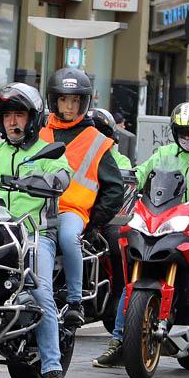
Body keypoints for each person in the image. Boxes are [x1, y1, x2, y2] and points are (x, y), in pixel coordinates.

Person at [94, 102, 189, 378]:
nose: (188, 137)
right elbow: (140, 175)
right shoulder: (164, 154)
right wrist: (120, 179)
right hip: (162, 225)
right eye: (182, 132)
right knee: (132, 283)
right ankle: (117, 343)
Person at [0, 83, 72, 378]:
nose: (13, 122)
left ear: (33, 119)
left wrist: (52, 180)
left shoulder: (45, 153)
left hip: (32, 235)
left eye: (19, 115)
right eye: (8, 116)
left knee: (40, 291)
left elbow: (63, 173)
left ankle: (53, 371)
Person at [41, 69, 125, 328]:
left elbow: (115, 190)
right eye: (64, 99)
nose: (69, 106)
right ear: (54, 100)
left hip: (72, 211)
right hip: (36, 207)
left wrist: (93, 222)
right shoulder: (40, 131)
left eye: (75, 100)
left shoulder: (97, 140)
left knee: (68, 238)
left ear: (83, 103)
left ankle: (75, 301)